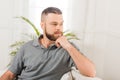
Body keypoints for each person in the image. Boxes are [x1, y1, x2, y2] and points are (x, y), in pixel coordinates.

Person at [0, 7, 96, 80]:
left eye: (61, 24)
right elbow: (10, 74)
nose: (59, 28)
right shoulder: (26, 48)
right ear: (42, 25)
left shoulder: (68, 48)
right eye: (54, 24)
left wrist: (68, 46)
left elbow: (91, 72)